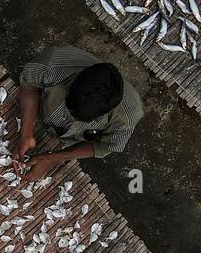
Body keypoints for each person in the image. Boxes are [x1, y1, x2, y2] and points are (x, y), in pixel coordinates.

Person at [11, 46, 142, 177]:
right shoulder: (50, 66)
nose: (73, 118)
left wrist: (54, 158)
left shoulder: (127, 117)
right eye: (71, 109)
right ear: (73, 84)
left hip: (77, 138)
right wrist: (27, 132)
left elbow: (105, 146)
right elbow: (29, 86)